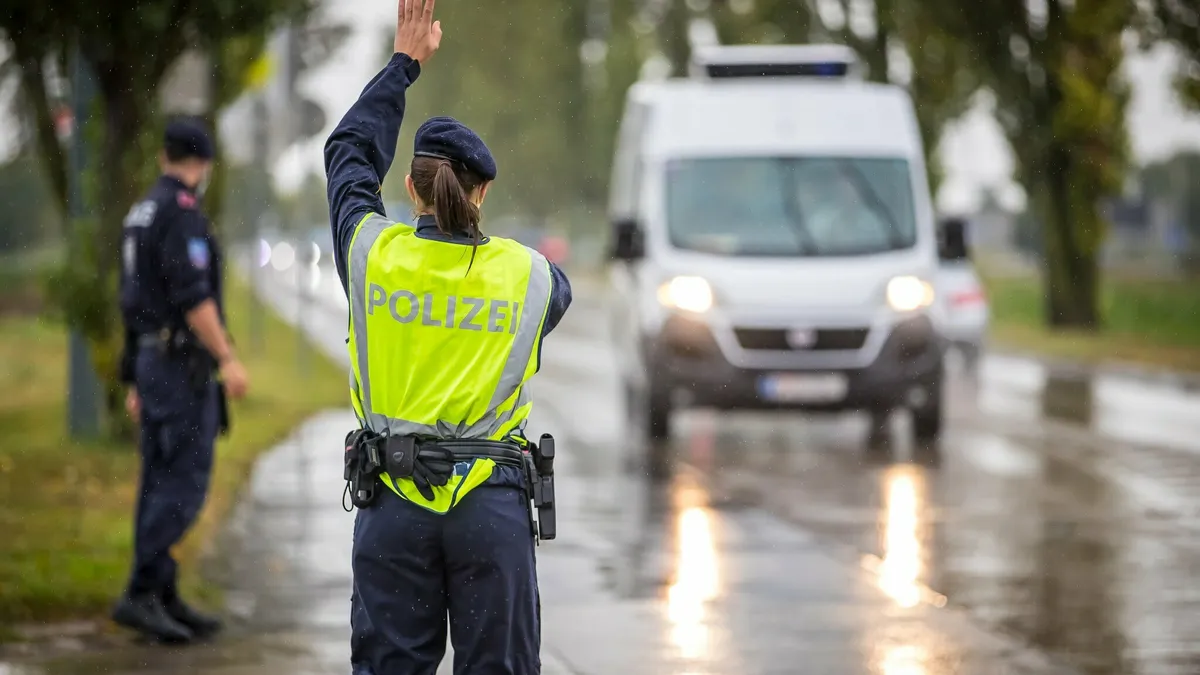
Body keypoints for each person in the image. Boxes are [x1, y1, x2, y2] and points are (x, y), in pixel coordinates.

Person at [324, 1, 572, 673]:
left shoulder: (372, 255)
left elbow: (347, 155)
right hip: (489, 508)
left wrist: (404, 64)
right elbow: (558, 294)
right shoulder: (529, 276)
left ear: (409, 187)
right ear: (483, 191)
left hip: (393, 506)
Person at [113, 117, 250, 644]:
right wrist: (229, 358)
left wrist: (132, 378)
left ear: (162, 157)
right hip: (179, 368)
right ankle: (141, 593)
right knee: (183, 483)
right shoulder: (181, 214)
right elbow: (194, 299)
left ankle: (160, 593)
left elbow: (134, 301)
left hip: (152, 363)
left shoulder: (141, 212)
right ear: (204, 163)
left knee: (158, 479)